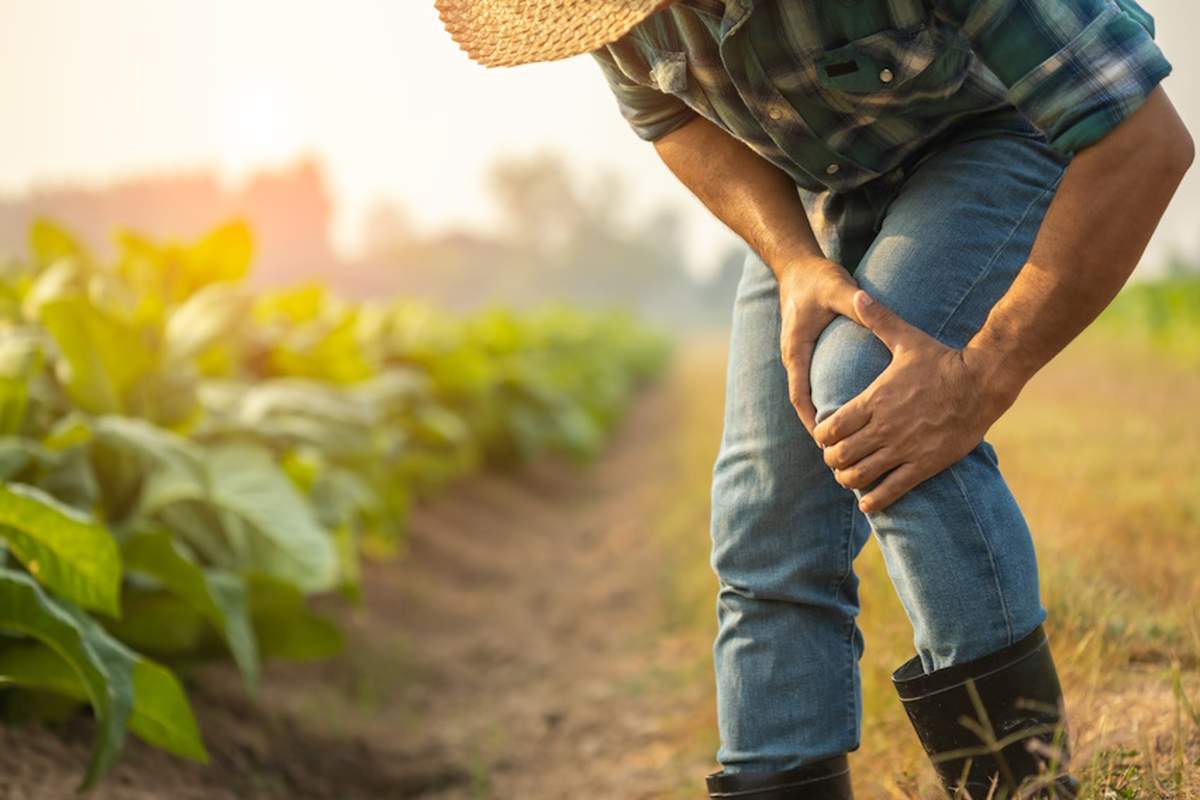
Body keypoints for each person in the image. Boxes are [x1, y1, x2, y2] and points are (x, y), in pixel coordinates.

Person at [435, 0, 1193, 796]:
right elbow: (670, 118)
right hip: (819, 190)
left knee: (870, 391)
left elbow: (1146, 141)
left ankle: (1022, 785)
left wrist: (980, 378)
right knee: (766, 518)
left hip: (997, 132)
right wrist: (791, 257)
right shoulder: (599, 14)